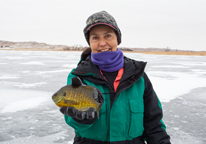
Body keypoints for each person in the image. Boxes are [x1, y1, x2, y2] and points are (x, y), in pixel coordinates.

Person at [60, 11, 171, 144]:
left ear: (117, 39)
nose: (102, 43)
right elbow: (73, 122)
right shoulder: (78, 77)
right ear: (89, 42)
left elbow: (154, 124)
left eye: (108, 36)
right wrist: (81, 118)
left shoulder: (138, 76)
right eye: (95, 38)